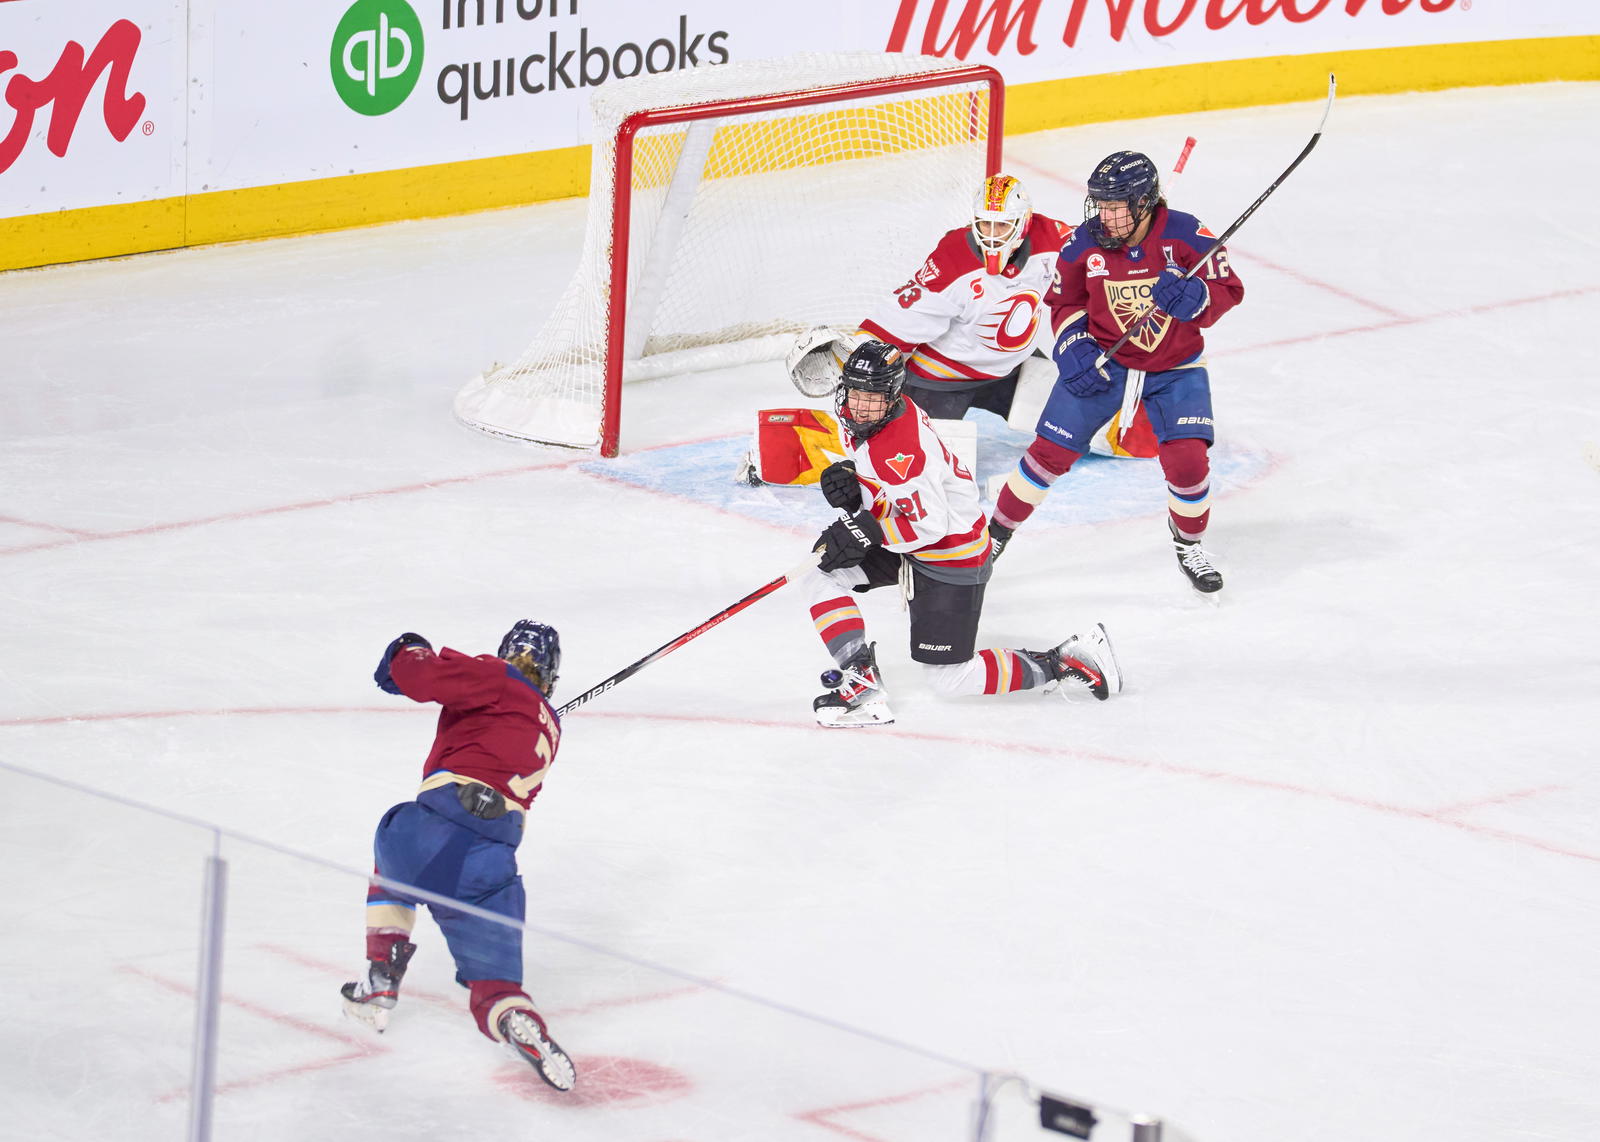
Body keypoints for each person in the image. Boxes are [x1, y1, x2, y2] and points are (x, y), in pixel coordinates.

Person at [804, 338, 1122, 728]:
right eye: (854, 392)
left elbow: (928, 525)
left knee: (950, 679)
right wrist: (858, 490)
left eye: (872, 397)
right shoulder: (873, 419)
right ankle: (862, 681)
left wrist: (866, 528)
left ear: (892, 395)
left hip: (951, 555)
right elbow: (895, 493)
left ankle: (1067, 660)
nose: (860, 405)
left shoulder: (900, 450)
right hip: (910, 539)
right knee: (821, 571)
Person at [987, 150, 1245, 593]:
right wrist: (1073, 349)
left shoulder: (1187, 235)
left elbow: (1229, 288)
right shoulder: (1083, 244)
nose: (1104, 216)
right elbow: (1065, 302)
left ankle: (1188, 543)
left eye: (1115, 206)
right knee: (1048, 452)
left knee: (1187, 461)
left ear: (1144, 202)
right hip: (1105, 361)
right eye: (1100, 205)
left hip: (1176, 367)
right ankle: (994, 536)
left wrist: (1197, 297)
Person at [340, 622, 577, 1092]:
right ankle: (514, 1019)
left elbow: (416, 676)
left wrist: (408, 647)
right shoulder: (551, 727)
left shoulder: (496, 678)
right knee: (498, 985)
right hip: (492, 863)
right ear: (550, 675)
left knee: (393, 862)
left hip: (436, 828)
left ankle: (381, 977)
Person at [790, 174, 1070, 425]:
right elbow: (900, 319)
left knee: (1080, 425)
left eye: (1003, 226)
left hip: (1011, 371)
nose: (992, 235)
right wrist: (857, 359)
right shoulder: (953, 260)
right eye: (986, 224)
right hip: (941, 379)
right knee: (907, 457)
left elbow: (1093, 253)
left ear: (1024, 222)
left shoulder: (1052, 239)